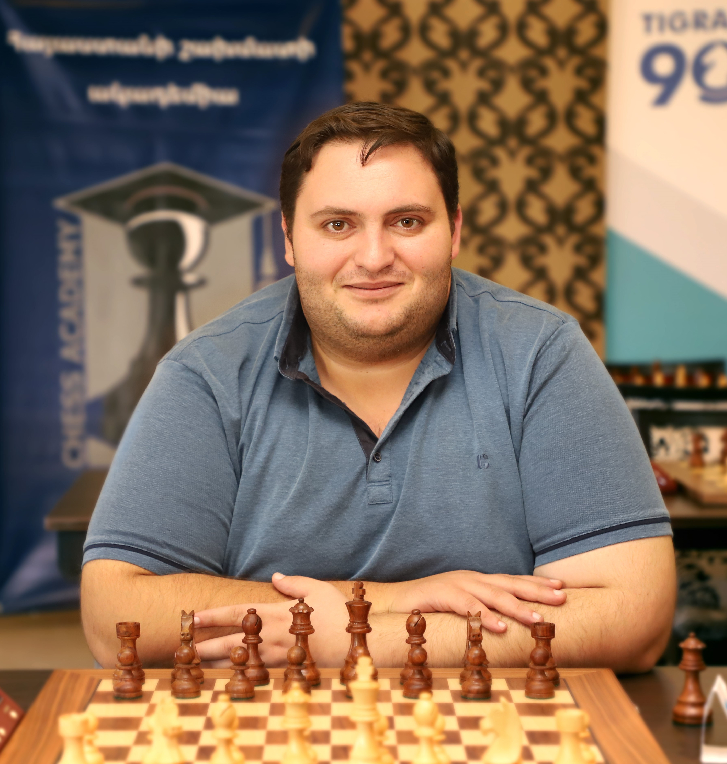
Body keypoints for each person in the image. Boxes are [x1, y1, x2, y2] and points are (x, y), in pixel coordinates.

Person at [81, 103, 676, 673]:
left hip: (491, 731)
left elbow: (635, 615)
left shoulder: (541, 352)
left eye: (407, 222)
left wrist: (362, 641)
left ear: (454, 230)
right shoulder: (208, 371)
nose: (373, 257)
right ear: (288, 238)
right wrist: (389, 602)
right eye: (337, 224)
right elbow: (115, 617)